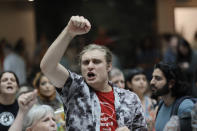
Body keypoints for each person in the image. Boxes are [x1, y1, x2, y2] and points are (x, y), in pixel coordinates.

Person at [40, 16, 147, 131]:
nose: (90, 66)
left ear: (109, 66)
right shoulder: (75, 88)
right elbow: (47, 67)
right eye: (85, 63)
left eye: (96, 62)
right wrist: (68, 32)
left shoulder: (129, 98)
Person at [150, 62, 194, 131]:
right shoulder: (161, 104)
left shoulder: (185, 106)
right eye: (152, 77)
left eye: (158, 78)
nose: (152, 82)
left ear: (171, 83)